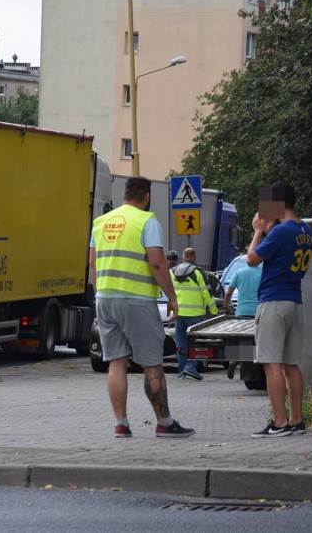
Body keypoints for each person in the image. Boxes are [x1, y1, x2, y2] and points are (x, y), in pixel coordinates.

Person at [89, 176, 194, 438]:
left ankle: (121, 424)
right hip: (136, 300)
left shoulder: (101, 223)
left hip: (105, 299)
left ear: (125, 195)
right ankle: (164, 423)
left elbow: (93, 265)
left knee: (116, 362)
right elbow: (158, 263)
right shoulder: (147, 221)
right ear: (146, 196)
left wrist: (99, 294)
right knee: (152, 363)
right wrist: (171, 296)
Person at [247, 181, 312, 438]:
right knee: (290, 364)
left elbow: (252, 260)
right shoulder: (306, 230)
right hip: (295, 300)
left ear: (276, 204)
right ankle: (296, 420)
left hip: (273, 301)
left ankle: (279, 422)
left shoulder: (281, 231)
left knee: (270, 363)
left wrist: (257, 232)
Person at [171, 247, 217, 381]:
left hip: (179, 314)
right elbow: (207, 293)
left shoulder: (173, 272)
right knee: (196, 343)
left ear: (183, 257)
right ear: (194, 258)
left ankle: (181, 372)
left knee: (181, 344)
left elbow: (169, 289)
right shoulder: (198, 273)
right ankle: (191, 366)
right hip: (196, 314)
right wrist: (214, 311)